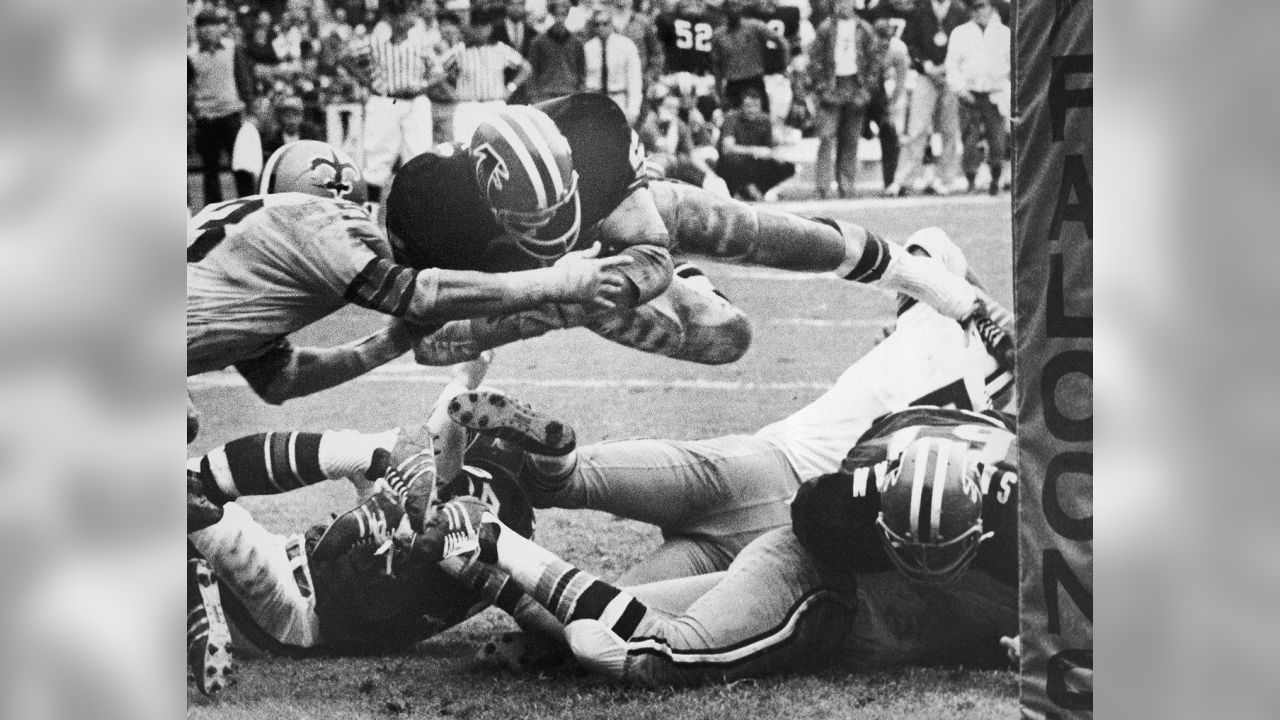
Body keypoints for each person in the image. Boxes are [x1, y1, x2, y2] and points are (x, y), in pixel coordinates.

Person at [418, 229, 1020, 684]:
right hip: (807, 517)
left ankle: (539, 479)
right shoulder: (1009, 423)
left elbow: (929, 249)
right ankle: (511, 557)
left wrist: (968, 308)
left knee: (587, 537)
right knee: (609, 626)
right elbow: (932, 250)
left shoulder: (954, 335)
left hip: (779, 482)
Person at [384, 95, 995, 370]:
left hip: (623, 232)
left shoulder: (593, 133)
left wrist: (613, 278)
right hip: (536, 287)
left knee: (760, 233)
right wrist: (542, 297)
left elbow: (647, 255)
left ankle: (940, 287)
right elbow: (414, 319)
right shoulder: (428, 206)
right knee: (728, 339)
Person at [186, 356, 547, 694]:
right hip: (293, 633)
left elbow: (435, 447)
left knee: (181, 484)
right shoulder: (516, 534)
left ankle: (192, 593)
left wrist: (463, 378)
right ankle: (194, 597)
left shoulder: (469, 494)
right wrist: (542, 647)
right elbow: (531, 605)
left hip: (296, 586)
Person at [188, 139, 635, 412]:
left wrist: (391, 342)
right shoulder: (314, 220)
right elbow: (420, 296)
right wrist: (559, 283)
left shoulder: (244, 250)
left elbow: (282, 380)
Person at [344, 0, 440, 205]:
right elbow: (345, 57)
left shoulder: (420, 41)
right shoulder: (376, 41)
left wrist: (423, 85)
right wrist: (367, 81)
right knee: (377, 161)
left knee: (419, 159)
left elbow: (438, 71)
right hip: (386, 101)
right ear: (389, 17)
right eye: (397, 14)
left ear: (412, 15)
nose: (402, 19)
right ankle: (369, 214)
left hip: (415, 101)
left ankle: (416, 215)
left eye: (405, 13)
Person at [884, 0, 968, 197]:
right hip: (925, 75)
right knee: (916, 128)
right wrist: (926, 65)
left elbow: (965, 42)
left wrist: (947, 66)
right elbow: (910, 43)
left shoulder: (959, 10)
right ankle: (903, 179)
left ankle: (947, 179)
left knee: (949, 129)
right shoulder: (920, 10)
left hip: (951, 74)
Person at [188, 9, 258, 205]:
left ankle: (249, 205)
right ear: (197, 30)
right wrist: (191, 111)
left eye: (212, 25)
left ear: (220, 28)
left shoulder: (232, 49)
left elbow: (243, 80)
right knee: (210, 170)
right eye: (203, 26)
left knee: (241, 164)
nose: (208, 30)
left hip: (231, 114)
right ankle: (213, 211)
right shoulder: (191, 55)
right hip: (206, 118)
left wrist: (251, 111)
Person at [808, 0, 876, 199]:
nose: (843, 5)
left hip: (855, 84)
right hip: (832, 84)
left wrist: (865, 91)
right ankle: (823, 186)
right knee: (826, 136)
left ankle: (846, 185)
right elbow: (815, 60)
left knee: (850, 139)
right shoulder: (825, 29)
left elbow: (874, 62)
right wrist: (822, 88)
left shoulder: (865, 29)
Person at [946, 0, 1010, 194]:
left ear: (992, 7)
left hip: (994, 92)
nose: (978, 11)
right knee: (970, 137)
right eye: (974, 7)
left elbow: (1011, 65)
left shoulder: (1004, 33)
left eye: (982, 6)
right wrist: (960, 89)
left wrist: (1004, 87)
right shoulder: (960, 33)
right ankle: (971, 179)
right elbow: (952, 65)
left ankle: (996, 178)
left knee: (997, 138)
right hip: (970, 92)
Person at [450, 7, 533, 143]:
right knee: (465, 146)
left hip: (494, 104)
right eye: (476, 26)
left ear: (490, 27)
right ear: (470, 27)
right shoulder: (460, 50)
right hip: (468, 106)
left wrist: (511, 87)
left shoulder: (500, 49)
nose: (480, 30)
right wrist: (452, 93)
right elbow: (438, 71)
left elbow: (526, 67)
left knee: (496, 145)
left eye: (484, 26)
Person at [715, 88, 796, 200]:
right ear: (742, 106)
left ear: (760, 106)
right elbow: (727, 148)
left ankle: (757, 190)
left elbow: (769, 148)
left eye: (755, 106)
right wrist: (753, 150)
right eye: (748, 106)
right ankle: (741, 189)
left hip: (755, 162)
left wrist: (776, 153)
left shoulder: (765, 120)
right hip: (735, 163)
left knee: (787, 167)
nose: (752, 110)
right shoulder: (731, 118)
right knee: (733, 161)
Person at [710, 0, 785, 114]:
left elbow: (781, 42)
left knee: (761, 121)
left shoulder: (754, 27)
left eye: (736, 6)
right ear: (724, 10)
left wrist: (783, 65)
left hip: (754, 81)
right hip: (733, 85)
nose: (733, 10)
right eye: (730, 6)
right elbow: (717, 66)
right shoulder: (718, 35)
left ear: (741, 9)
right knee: (732, 121)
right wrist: (719, 93)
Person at [582, 9, 644, 125]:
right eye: (597, 24)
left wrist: (633, 110)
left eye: (605, 23)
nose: (601, 27)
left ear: (611, 24)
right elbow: (584, 81)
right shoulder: (588, 48)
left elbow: (634, 80)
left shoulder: (626, 46)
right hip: (595, 103)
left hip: (618, 100)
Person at [525, 1, 585, 104]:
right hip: (546, 94)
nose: (559, 19)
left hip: (569, 93)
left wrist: (580, 93)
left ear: (567, 15)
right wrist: (534, 96)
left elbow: (581, 71)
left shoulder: (576, 43)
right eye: (557, 14)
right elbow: (532, 71)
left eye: (563, 14)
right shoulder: (538, 42)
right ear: (552, 15)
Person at [259, 95, 325, 163]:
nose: (291, 119)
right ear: (281, 118)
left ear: (301, 117)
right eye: (287, 115)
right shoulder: (272, 140)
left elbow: (321, 155)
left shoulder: (312, 137)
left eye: (296, 114)